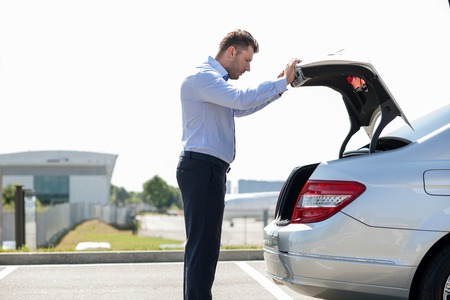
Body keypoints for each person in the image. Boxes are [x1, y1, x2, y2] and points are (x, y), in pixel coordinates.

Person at [176, 29, 301, 300]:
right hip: (201, 169)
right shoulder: (203, 78)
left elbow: (241, 108)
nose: (248, 68)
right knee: (203, 248)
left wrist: (278, 88)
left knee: (204, 247)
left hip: (207, 170)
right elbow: (241, 98)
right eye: (246, 60)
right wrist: (279, 84)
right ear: (231, 51)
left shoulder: (215, 84)